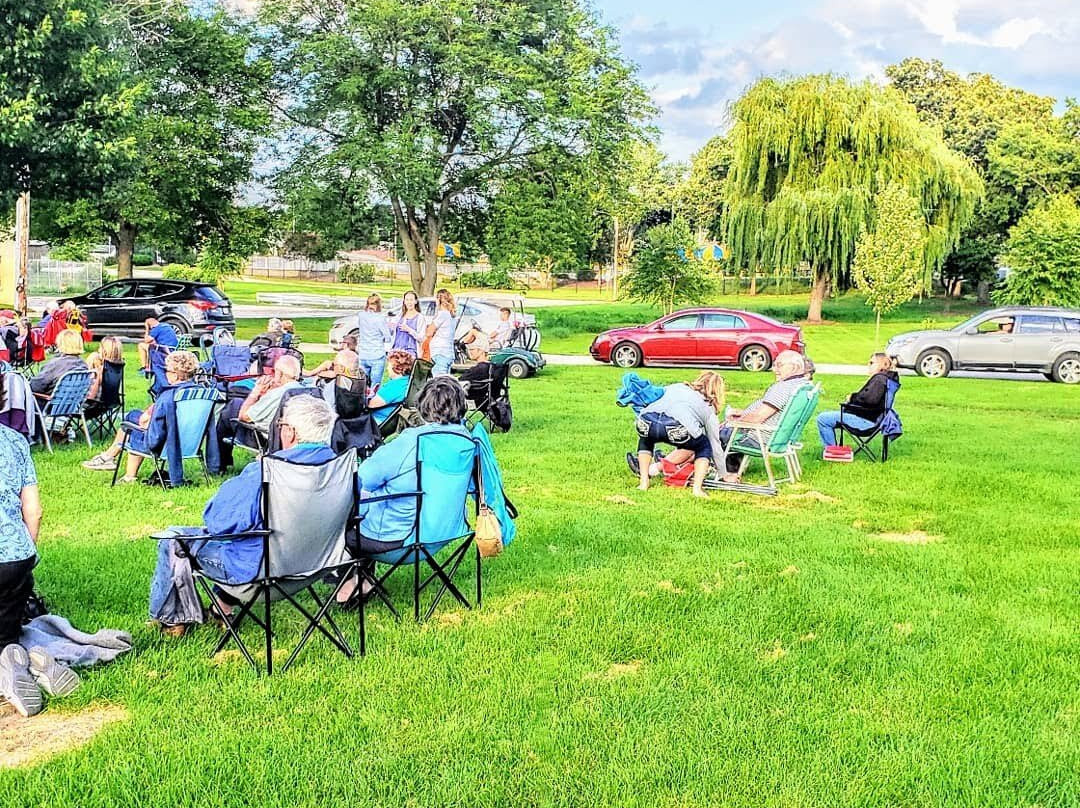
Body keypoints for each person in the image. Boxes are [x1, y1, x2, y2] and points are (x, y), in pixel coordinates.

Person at [148, 396, 341, 636]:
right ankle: (221, 608)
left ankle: (171, 621)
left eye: (280, 425)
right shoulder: (342, 469)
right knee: (249, 540)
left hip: (262, 575)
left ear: (290, 432)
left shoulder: (269, 471)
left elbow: (217, 522)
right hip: (315, 566)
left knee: (174, 540)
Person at [336, 377, 483, 604]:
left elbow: (362, 478)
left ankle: (354, 580)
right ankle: (360, 579)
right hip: (447, 532)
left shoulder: (411, 442)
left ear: (422, 406)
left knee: (341, 513)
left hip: (401, 540)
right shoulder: (468, 442)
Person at [81, 350, 201, 483]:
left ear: (175, 375)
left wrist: (147, 416)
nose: (165, 373)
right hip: (190, 442)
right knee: (133, 415)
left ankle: (128, 476)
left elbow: (146, 425)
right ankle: (109, 456)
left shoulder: (169, 397)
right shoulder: (200, 394)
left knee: (133, 428)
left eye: (167, 370)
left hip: (165, 445)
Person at [0, 419, 46, 716]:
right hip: (15, 556)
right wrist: (26, 553)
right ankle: (26, 660)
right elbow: (34, 510)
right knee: (6, 633)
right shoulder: (14, 440)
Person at [631, 371, 726, 498]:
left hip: (647, 420)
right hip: (674, 428)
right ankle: (697, 490)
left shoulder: (677, 386)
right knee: (704, 446)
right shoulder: (709, 409)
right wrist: (724, 474)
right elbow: (716, 446)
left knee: (646, 440)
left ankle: (643, 483)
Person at [718, 350, 807, 483]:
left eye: (779, 365)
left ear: (794, 367)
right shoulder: (801, 386)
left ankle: (696, 468)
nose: (774, 369)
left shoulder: (783, 388)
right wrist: (743, 414)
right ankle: (729, 466)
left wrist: (731, 422)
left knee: (709, 436)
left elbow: (758, 418)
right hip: (779, 438)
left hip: (759, 438)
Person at [816, 353, 899, 448]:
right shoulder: (886, 379)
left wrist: (852, 398)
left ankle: (831, 451)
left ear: (882, 364)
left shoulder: (879, 380)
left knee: (823, 419)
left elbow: (870, 400)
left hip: (866, 422)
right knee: (827, 417)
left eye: (872, 363)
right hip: (872, 419)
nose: (868, 365)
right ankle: (833, 450)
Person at [29, 329, 88, 397]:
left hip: (47, 403)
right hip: (71, 404)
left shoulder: (56, 364)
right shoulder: (83, 365)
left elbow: (36, 386)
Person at [368, 350, 415, 424]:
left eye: (389, 366)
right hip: (391, 419)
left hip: (378, 419)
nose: (387, 369)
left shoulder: (395, 386)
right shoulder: (407, 381)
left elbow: (371, 404)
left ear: (397, 368)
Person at [356, 294, 391, 386]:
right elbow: (387, 337)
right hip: (377, 354)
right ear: (379, 304)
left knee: (362, 383)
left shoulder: (361, 315)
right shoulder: (380, 318)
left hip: (363, 354)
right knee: (375, 385)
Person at [425, 289, 457, 376]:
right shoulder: (452, 316)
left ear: (439, 300)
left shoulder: (442, 315)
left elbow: (429, 332)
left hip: (440, 352)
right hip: (448, 352)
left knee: (439, 381)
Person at [86, 336, 124, 401]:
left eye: (100, 347)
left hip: (97, 401)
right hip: (112, 400)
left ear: (105, 351)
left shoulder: (102, 369)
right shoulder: (117, 366)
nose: (98, 349)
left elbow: (91, 397)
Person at [391, 291, 425, 355]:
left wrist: (409, 330)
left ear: (416, 301)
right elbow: (391, 332)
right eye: (407, 300)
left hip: (410, 353)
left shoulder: (420, 317)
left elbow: (421, 338)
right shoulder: (399, 316)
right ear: (404, 301)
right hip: (396, 351)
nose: (409, 302)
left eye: (411, 300)